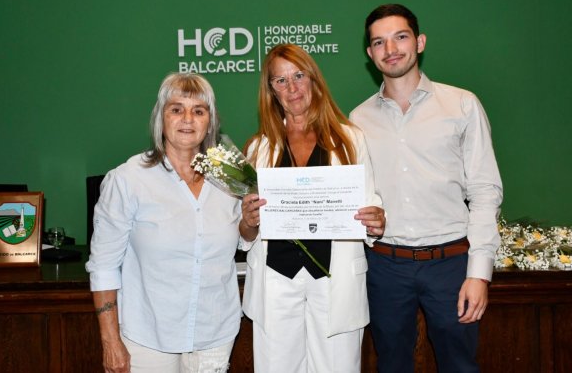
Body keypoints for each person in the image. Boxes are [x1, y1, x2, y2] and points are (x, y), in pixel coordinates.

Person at [349, 4, 503, 373]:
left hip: (451, 264)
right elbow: (359, 197)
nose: (391, 49)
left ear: (419, 42)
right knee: (391, 365)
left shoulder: (462, 105)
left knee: (460, 366)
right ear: (370, 53)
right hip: (385, 266)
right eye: (379, 42)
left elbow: (485, 191)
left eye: (400, 37)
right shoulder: (358, 119)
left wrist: (479, 273)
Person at [239, 43, 386, 373]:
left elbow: (370, 206)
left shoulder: (350, 139)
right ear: (271, 90)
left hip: (334, 279)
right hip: (275, 281)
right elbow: (245, 232)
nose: (291, 88)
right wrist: (248, 222)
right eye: (280, 80)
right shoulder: (258, 148)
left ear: (314, 79)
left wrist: (377, 219)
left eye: (298, 76)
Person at [86, 73, 242, 373]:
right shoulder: (128, 179)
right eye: (176, 109)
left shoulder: (229, 178)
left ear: (210, 122)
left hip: (214, 334)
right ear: (161, 118)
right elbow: (103, 266)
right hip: (147, 338)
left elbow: (245, 237)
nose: (188, 119)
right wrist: (110, 341)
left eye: (199, 110)